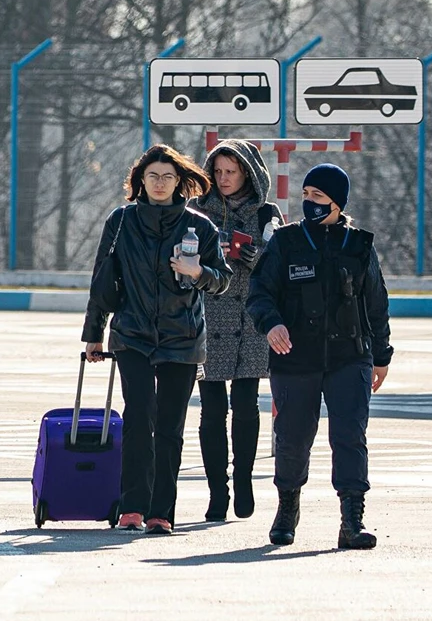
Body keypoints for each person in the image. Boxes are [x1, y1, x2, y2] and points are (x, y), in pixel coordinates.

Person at [82, 144, 233, 534]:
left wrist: (198, 272)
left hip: (182, 338)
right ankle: (132, 506)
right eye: (153, 176)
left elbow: (222, 281)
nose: (161, 183)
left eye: (168, 176)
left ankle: (160, 512)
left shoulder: (200, 226)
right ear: (140, 181)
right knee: (137, 419)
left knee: (169, 427)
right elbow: (102, 279)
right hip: (132, 333)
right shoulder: (121, 221)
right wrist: (94, 335)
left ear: (180, 181)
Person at [246, 164, 392, 550]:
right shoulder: (286, 242)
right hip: (295, 358)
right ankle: (287, 509)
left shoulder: (359, 245)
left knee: (349, 437)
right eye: (306, 193)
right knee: (293, 438)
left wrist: (382, 355)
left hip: (350, 356)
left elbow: (376, 303)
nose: (309, 201)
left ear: (337, 202)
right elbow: (259, 292)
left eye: (318, 196)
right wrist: (272, 324)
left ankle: (351, 521)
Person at [188, 140, 284, 522]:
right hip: (207, 320)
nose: (224, 179)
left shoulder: (266, 213)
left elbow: (280, 263)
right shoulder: (196, 210)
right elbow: (182, 257)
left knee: (246, 406)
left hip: (251, 322)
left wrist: (252, 255)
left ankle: (243, 481)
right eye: (219, 171)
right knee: (211, 412)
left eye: (232, 171)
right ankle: (217, 490)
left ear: (247, 173)